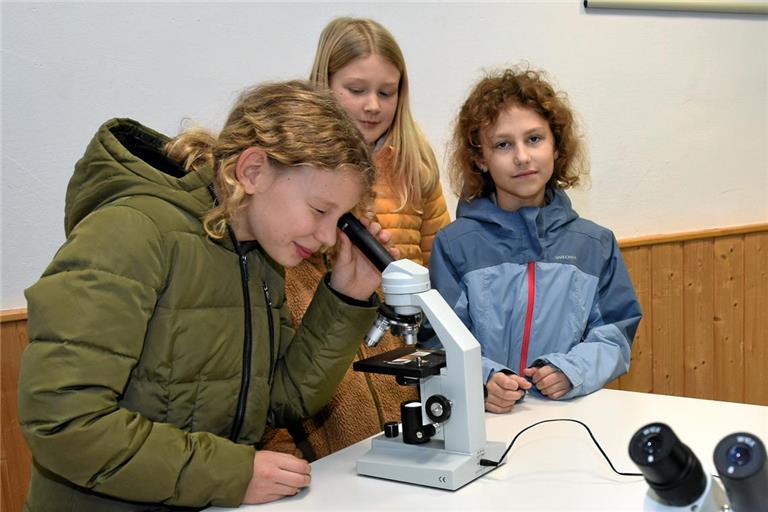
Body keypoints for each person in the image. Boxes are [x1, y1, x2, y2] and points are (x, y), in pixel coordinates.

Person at [17, 80, 399, 511]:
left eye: (339, 218)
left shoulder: (258, 255)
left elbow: (278, 400)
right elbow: (63, 421)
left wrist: (346, 295)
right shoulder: (129, 233)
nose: (329, 235)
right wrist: (231, 474)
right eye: (319, 210)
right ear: (253, 170)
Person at [260, 17, 451, 460]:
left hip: (395, 345)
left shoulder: (416, 162)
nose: (372, 105)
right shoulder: (298, 165)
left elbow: (434, 256)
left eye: (386, 92)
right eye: (356, 89)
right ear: (324, 83)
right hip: (323, 343)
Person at [427, 66, 642, 413]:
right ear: (480, 158)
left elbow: (615, 335)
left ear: (556, 146)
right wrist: (482, 379)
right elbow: (438, 339)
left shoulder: (594, 243)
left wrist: (572, 370)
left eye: (534, 139)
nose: (522, 157)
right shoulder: (454, 246)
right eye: (502, 144)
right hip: (485, 423)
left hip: (571, 420)